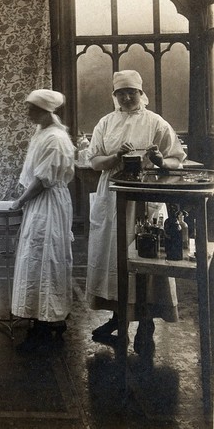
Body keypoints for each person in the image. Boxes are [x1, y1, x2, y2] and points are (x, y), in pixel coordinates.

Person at [85, 70, 186, 356]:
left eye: (132, 92)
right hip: (113, 195)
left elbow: (177, 159)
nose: (127, 97)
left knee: (145, 256)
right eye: (121, 93)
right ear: (114, 96)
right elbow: (94, 162)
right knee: (113, 256)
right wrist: (115, 157)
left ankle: (146, 324)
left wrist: (159, 160)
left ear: (141, 94)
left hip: (145, 197)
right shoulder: (106, 123)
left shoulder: (155, 122)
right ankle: (118, 318)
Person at [9, 89, 75, 352]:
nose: (27, 113)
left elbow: (43, 179)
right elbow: (33, 173)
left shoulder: (56, 138)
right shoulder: (42, 133)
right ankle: (43, 317)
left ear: (44, 111)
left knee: (47, 257)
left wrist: (21, 200)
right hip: (41, 203)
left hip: (48, 202)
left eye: (31, 109)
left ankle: (49, 322)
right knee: (37, 257)